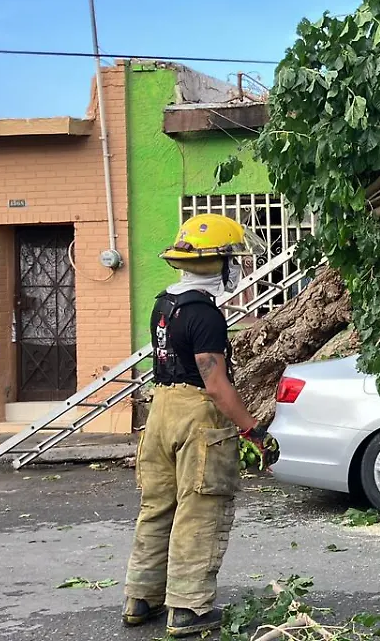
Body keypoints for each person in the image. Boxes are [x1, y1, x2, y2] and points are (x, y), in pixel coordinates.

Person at [122, 214, 275, 637]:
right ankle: (188, 608)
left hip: (160, 412)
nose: (236, 267)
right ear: (217, 264)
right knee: (200, 509)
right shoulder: (205, 315)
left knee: (157, 507)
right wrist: (254, 430)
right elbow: (216, 385)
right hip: (196, 418)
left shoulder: (164, 303)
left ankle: (141, 598)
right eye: (232, 259)